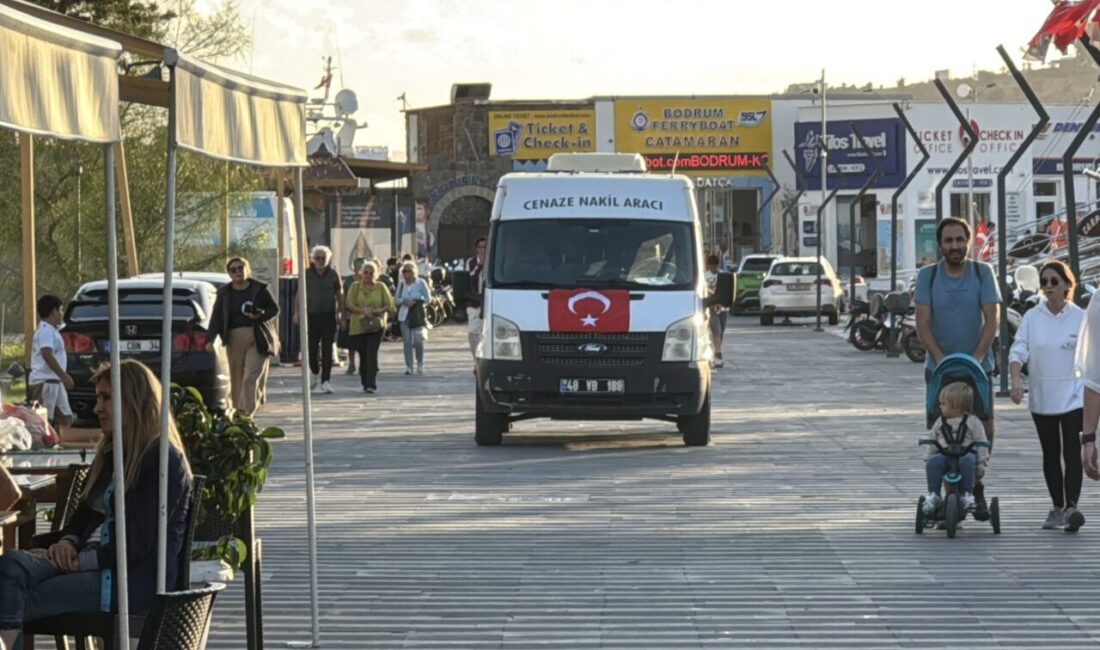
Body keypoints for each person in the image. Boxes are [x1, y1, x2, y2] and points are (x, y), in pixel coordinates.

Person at [0, 360, 192, 650]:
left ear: (134, 402)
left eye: (106, 398)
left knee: (11, 599)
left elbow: (137, 544)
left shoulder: (163, 462)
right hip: (86, 564)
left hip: (124, 583)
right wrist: (67, 542)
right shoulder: (113, 454)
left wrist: (80, 562)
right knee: (11, 565)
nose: (97, 408)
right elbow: (83, 517)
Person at [1010, 261, 1086, 531]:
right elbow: (1019, 348)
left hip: (1074, 395)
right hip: (1042, 394)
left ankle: (1072, 507)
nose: (1049, 286)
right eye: (1044, 282)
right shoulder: (1032, 317)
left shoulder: (1081, 317)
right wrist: (1016, 378)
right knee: (1050, 452)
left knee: (1072, 450)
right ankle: (1057, 506)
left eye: (1054, 281)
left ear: (1067, 284)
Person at [915, 217, 1001, 441]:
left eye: (960, 240)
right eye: (948, 240)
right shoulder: (927, 276)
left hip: (978, 368)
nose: (955, 246)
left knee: (983, 426)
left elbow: (992, 319)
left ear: (969, 242)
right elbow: (922, 322)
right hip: (940, 369)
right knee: (940, 430)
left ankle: (981, 463)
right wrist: (939, 358)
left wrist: (977, 358)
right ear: (940, 245)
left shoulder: (982, 272)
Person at [206, 257, 280, 417]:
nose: (237, 272)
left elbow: (274, 309)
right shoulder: (224, 293)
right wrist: (210, 340)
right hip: (234, 338)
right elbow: (216, 317)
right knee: (237, 378)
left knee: (251, 376)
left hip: (257, 336)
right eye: (233, 270)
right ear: (229, 274)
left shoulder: (259, 289)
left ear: (248, 270)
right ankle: (238, 411)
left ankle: (247, 413)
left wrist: (260, 315)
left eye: (240, 268)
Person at [920, 382, 990, 516]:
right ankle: (934, 494)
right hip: (945, 453)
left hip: (966, 452)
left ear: (957, 406)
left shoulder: (973, 422)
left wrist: (982, 463)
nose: (940, 406)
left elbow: (981, 442)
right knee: (933, 462)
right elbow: (933, 440)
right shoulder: (940, 422)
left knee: (968, 461)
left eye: (943, 404)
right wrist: (929, 456)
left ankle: (967, 494)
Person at [293, 245, 344, 394]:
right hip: (310, 315)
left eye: (323, 258)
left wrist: (342, 314)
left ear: (328, 259)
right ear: (313, 259)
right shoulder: (306, 274)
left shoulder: (333, 275)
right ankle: (315, 372)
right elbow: (299, 294)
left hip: (328, 315)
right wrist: (297, 313)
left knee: (328, 349)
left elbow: (340, 295)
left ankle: (326, 380)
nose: (320, 260)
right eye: (317, 258)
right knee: (311, 347)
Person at [344, 260, 396, 394]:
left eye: (371, 273)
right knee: (363, 354)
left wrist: (377, 311)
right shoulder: (355, 286)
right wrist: (363, 311)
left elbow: (390, 305)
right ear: (361, 273)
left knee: (371, 352)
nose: (368, 275)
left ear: (376, 274)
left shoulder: (381, 287)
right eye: (365, 272)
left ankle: (371, 383)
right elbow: (349, 304)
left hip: (376, 326)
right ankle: (365, 381)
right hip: (359, 326)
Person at [28, 294, 74, 437]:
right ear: (54, 311)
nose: (61, 314)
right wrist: (64, 376)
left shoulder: (52, 331)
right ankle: (44, 444)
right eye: (61, 310)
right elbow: (47, 354)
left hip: (55, 382)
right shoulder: (46, 331)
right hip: (46, 382)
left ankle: (60, 440)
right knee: (44, 421)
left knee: (65, 417)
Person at [395, 261, 431, 375]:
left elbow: (428, 298)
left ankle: (420, 363)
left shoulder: (421, 283)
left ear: (414, 272)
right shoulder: (401, 284)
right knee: (407, 342)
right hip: (404, 315)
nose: (406, 274)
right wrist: (404, 301)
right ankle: (409, 366)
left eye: (408, 271)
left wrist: (417, 301)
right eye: (404, 271)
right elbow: (396, 300)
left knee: (418, 341)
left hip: (417, 315)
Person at [341, 257, 366, 376]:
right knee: (351, 342)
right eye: (358, 266)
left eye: (362, 267)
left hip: (364, 315)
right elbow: (343, 297)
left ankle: (363, 364)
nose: (360, 269)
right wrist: (341, 313)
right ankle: (351, 364)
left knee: (363, 342)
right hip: (350, 315)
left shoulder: (368, 280)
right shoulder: (349, 281)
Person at [465, 237, 487, 357]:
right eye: (480, 247)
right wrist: (479, 266)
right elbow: (469, 277)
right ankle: (476, 359)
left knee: (486, 334)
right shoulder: (471, 262)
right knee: (473, 334)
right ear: (476, 249)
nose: (482, 250)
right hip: (474, 302)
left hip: (488, 302)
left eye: (485, 247)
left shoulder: (494, 261)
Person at [704, 255, 726, 369]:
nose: (713, 269)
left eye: (715, 267)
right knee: (716, 332)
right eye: (711, 267)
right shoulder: (705, 277)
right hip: (712, 308)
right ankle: (718, 356)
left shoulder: (723, 275)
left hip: (723, 308)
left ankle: (716, 351)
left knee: (721, 332)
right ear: (708, 266)